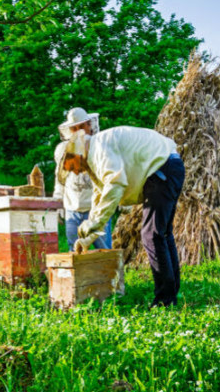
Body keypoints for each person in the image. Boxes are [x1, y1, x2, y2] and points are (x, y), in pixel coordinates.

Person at [58, 124, 185, 308]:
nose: (76, 172)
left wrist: (93, 223)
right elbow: (100, 202)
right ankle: (171, 294)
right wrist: (87, 239)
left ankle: (165, 301)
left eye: (74, 167)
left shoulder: (99, 149)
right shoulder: (97, 156)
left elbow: (116, 185)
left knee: (152, 235)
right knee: (162, 234)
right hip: (169, 167)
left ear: (77, 155)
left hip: (161, 169)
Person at [54, 108, 112, 250]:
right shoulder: (63, 149)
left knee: (105, 252)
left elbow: (112, 176)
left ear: (89, 125)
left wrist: (123, 201)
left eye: (81, 127)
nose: (79, 131)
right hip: (72, 210)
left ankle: (108, 274)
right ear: (70, 130)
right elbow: (60, 178)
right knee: (74, 253)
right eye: (74, 128)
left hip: (97, 211)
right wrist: (57, 203)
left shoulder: (100, 146)